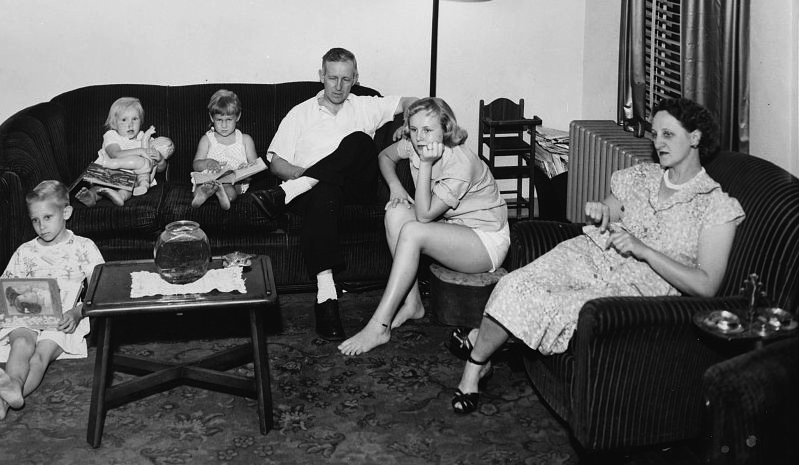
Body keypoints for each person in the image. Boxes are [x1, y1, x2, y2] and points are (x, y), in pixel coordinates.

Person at [449, 97, 745, 415]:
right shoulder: (642, 176)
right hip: (592, 254)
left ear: (696, 137)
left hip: (636, 288)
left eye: (668, 134)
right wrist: (600, 211)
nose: (658, 142)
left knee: (551, 305)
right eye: (655, 134)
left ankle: (479, 348)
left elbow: (706, 285)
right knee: (516, 283)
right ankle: (476, 365)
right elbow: (610, 212)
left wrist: (644, 251)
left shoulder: (715, 206)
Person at [249, 48, 417, 340]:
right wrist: (308, 176)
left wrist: (408, 121)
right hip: (317, 198)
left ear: (355, 79)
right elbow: (276, 163)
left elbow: (414, 101)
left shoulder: (366, 105)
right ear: (321, 76)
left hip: (355, 190)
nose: (338, 87)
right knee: (325, 189)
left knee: (360, 141)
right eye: (332, 78)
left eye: (346, 79)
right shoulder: (300, 113)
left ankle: (289, 192)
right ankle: (326, 297)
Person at [338, 98, 509, 355]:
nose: (419, 138)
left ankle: (378, 326)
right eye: (414, 129)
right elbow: (384, 156)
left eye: (428, 130)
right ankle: (412, 303)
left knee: (413, 230)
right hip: (454, 228)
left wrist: (426, 165)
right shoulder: (417, 145)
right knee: (395, 212)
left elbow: (425, 215)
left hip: (485, 241)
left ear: (446, 129)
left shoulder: (461, 162)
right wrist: (395, 187)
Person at [0, 180, 105, 420]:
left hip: (62, 319)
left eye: (48, 217)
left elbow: (101, 284)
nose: (41, 226)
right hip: (26, 315)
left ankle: (4, 401)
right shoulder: (26, 251)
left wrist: (79, 312)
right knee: (22, 345)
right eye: (35, 220)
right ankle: (13, 385)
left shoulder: (83, 247)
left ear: (66, 212)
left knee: (41, 355)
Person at [75, 97, 174, 207]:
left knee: (127, 190)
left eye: (135, 119)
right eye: (124, 120)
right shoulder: (112, 136)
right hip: (108, 174)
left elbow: (158, 168)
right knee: (98, 188)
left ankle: (118, 197)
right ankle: (91, 197)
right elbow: (115, 154)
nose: (130, 124)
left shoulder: (144, 138)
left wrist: (160, 160)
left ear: (141, 121)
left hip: (132, 181)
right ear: (114, 124)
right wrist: (140, 151)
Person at [191, 89, 259, 210]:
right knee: (201, 187)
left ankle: (222, 195)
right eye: (219, 120)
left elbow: (256, 167)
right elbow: (196, 165)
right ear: (211, 118)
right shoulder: (207, 139)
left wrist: (246, 170)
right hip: (209, 179)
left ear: (238, 117)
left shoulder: (245, 140)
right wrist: (207, 163)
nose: (224, 125)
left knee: (231, 191)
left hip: (233, 182)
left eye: (228, 120)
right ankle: (202, 194)